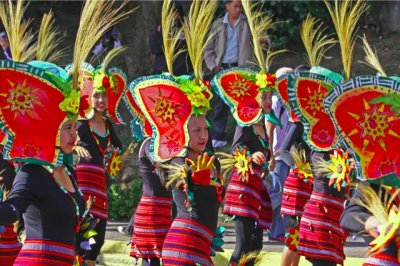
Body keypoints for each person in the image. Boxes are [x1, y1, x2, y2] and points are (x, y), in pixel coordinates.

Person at [0, 61, 87, 266]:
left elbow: (80, 224)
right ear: (51, 130)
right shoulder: (32, 172)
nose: (75, 135)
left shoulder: (68, 171)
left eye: (75, 127)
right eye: (68, 128)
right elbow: (10, 211)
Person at [74, 62, 125, 265]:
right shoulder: (82, 123)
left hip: (100, 186)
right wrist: (76, 147)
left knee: (97, 236)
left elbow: (119, 147)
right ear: (89, 97)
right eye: (96, 95)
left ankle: (89, 261)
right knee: (82, 230)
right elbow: (67, 141)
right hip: (84, 183)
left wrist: (114, 157)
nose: (101, 100)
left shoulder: (107, 124)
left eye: (104, 95)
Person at [204, 0, 255, 149]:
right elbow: (209, 49)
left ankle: (244, 136)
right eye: (235, 6)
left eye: (240, 6)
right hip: (223, 68)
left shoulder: (248, 23)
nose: (238, 9)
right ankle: (218, 136)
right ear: (227, 6)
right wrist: (213, 66)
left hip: (241, 68)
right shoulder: (218, 25)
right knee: (221, 103)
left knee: (244, 102)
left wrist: (264, 42)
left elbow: (261, 36)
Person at [266, 67, 293, 241]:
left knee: (284, 193)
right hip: (277, 153)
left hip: (289, 154)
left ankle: (277, 230)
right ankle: (262, 222)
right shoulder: (276, 101)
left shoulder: (291, 102)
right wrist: (270, 154)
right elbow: (270, 127)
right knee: (276, 192)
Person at [148, 2, 193, 76]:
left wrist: (180, 36)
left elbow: (188, 49)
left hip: (181, 72)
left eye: (176, 13)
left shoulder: (185, 29)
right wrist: (168, 39)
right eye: (171, 13)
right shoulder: (159, 29)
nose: (174, 16)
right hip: (162, 71)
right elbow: (154, 48)